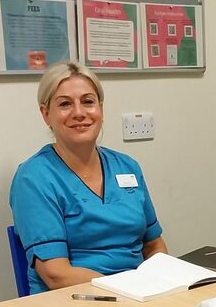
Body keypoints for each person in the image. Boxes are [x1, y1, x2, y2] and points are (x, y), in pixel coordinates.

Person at [9, 61, 167, 294]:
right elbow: (56, 274)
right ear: (46, 114)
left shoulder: (127, 166)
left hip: (138, 296)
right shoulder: (34, 178)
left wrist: (157, 282)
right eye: (64, 104)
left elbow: (154, 245)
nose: (79, 113)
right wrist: (124, 290)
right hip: (75, 302)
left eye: (88, 101)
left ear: (100, 109)